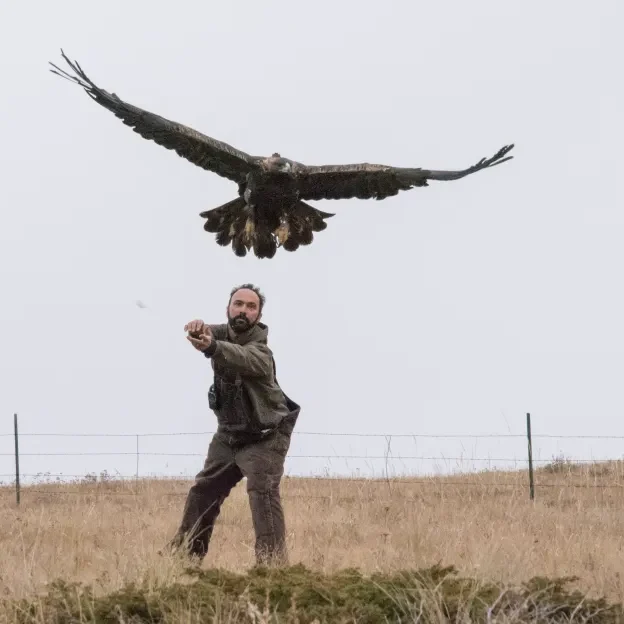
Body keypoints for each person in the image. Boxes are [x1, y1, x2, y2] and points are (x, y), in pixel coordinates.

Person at [167, 283, 300, 567]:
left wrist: (212, 346)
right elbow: (209, 333)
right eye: (238, 304)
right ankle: (183, 562)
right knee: (203, 492)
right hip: (228, 436)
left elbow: (239, 356)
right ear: (228, 308)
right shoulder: (222, 333)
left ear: (258, 315)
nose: (243, 310)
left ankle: (273, 571)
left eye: (251, 307)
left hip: (266, 436)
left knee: (262, 493)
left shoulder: (261, 352)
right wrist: (198, 328)